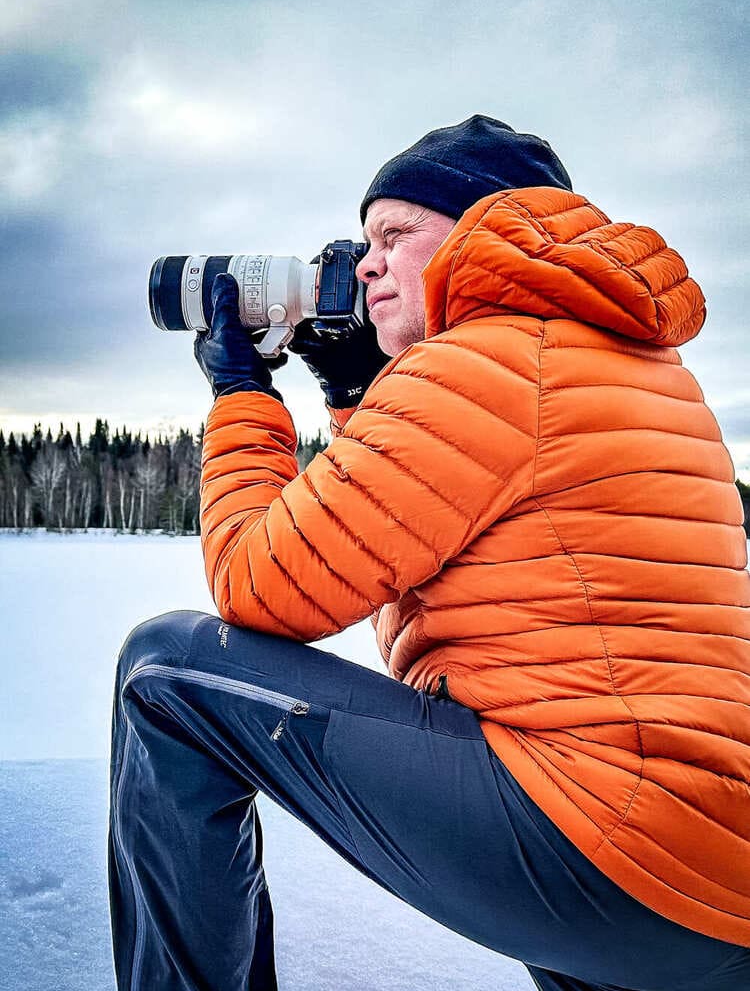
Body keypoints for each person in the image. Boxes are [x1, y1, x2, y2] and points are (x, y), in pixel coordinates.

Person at [108, 115, 750, 990]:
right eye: (364, 239)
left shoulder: (485, 363)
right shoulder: (619, 361)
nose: (365, 261)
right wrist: (353, 394)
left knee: (168, 676)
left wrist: (241, 395)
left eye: (395, 235)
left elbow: (259, 584)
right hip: (705, 869)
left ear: (486, 227)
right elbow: (419, 531)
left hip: (602, 838)